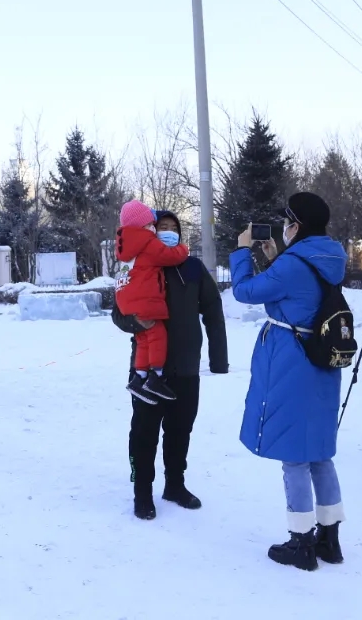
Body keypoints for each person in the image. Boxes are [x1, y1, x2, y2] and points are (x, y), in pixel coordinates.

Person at [229, 192, 347, 572]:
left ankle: (301, 543)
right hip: (321, 360)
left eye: (287, 221)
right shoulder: (329, 255)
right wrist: (277, 255)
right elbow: (295, 286)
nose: (284, 226)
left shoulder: (294, 263)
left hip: (293, 360)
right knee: (319, 454)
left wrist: (242, 252)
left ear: (297, 225)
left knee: (295, 456)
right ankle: (330, 538)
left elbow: (245, 291)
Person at [112, 210, 229, 520]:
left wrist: (219, 360)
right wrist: (133, 322)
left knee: (180, 431)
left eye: (172, 228)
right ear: (150, 231)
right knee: (144, 432)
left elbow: (214, 311)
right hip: (148, 370)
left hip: (186, 367)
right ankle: (142, 494)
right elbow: (117, 312)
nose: (166, 232)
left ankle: (175, 485)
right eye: (161, 227)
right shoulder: (137, 263)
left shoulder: (192, 267)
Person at [114, 199, 191, 402]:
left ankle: (139, 377)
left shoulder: (127, 247)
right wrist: (184, 249)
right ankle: (156, 376)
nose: (155, 230)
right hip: (144, 302)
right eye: (155, 225)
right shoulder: (148, 243)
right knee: (157, 336)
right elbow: (170, 256)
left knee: (143, 340)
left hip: (128, 301)